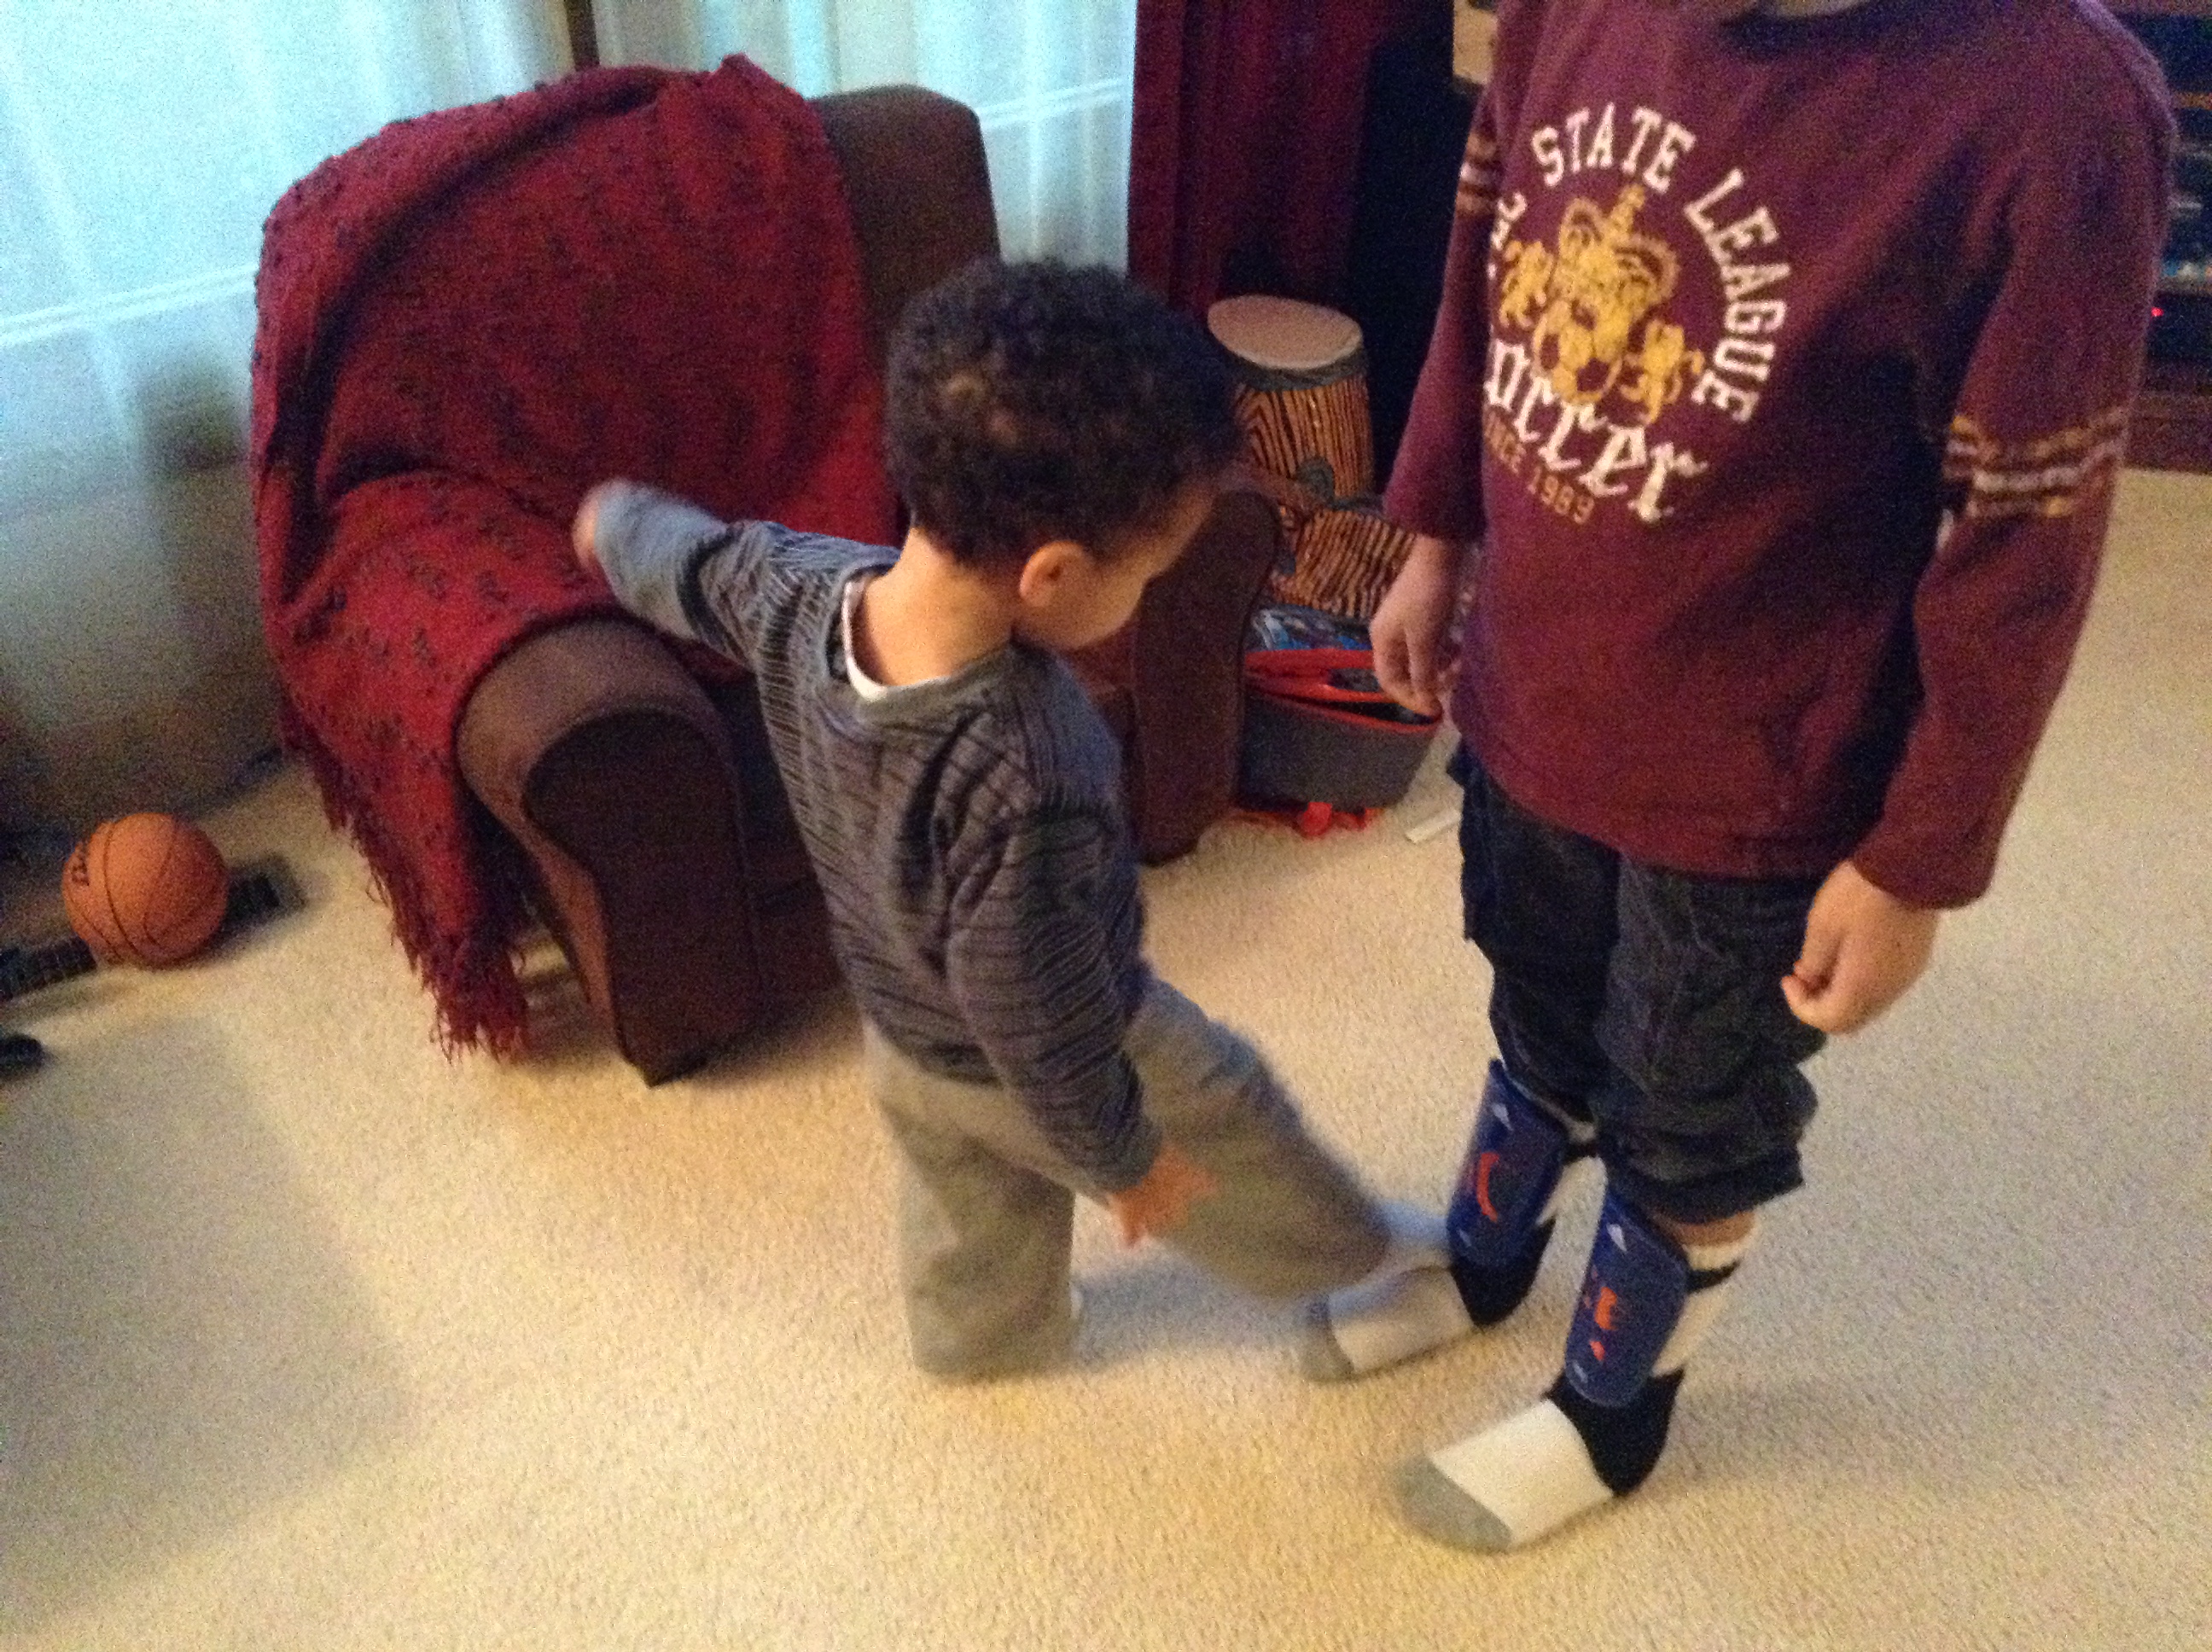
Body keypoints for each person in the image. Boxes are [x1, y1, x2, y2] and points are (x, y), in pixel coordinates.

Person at [1300, 0, 2174, 1550]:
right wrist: (1434, 537)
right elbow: (1484, 272)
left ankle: (1612, 1413)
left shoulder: (2054, 110)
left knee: (1694, 1100)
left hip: (1763, 764)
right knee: (1539, 995)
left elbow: (2025, 538)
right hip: (1540, 682)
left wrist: (1919, 858)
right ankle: (1488, 1261)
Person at [573, 259, 1441, 1381]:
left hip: (901, 1030)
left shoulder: (796, 588)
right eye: (1145, 576)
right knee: (1230, 1114)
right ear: (1054, 575)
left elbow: (691, 566)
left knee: (967, 1198)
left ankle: (986, 1340)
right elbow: (1039, 1009)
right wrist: (1125, 1160)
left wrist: (619, 525)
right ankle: (1354, 1260)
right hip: (1054, 1058)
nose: (1141, 599)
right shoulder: (1034, 768)